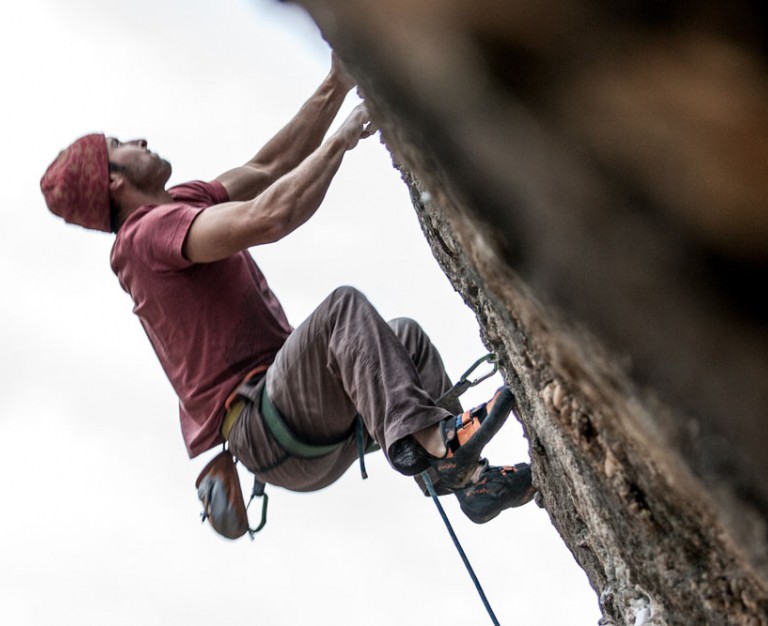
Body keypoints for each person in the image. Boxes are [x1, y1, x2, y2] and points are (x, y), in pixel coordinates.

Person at [40, 55, 535, 529]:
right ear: (111, 178)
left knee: (404, 339)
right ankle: (434, 445)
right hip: (266, 427)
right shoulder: (146, 236)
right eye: (121, 143)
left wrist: (337, 83)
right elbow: (268, 216)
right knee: (343, 310)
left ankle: (468, 480)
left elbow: (266, 167)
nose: (139, 139)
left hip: (294, 426)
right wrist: (341, 139)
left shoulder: (179, 203)